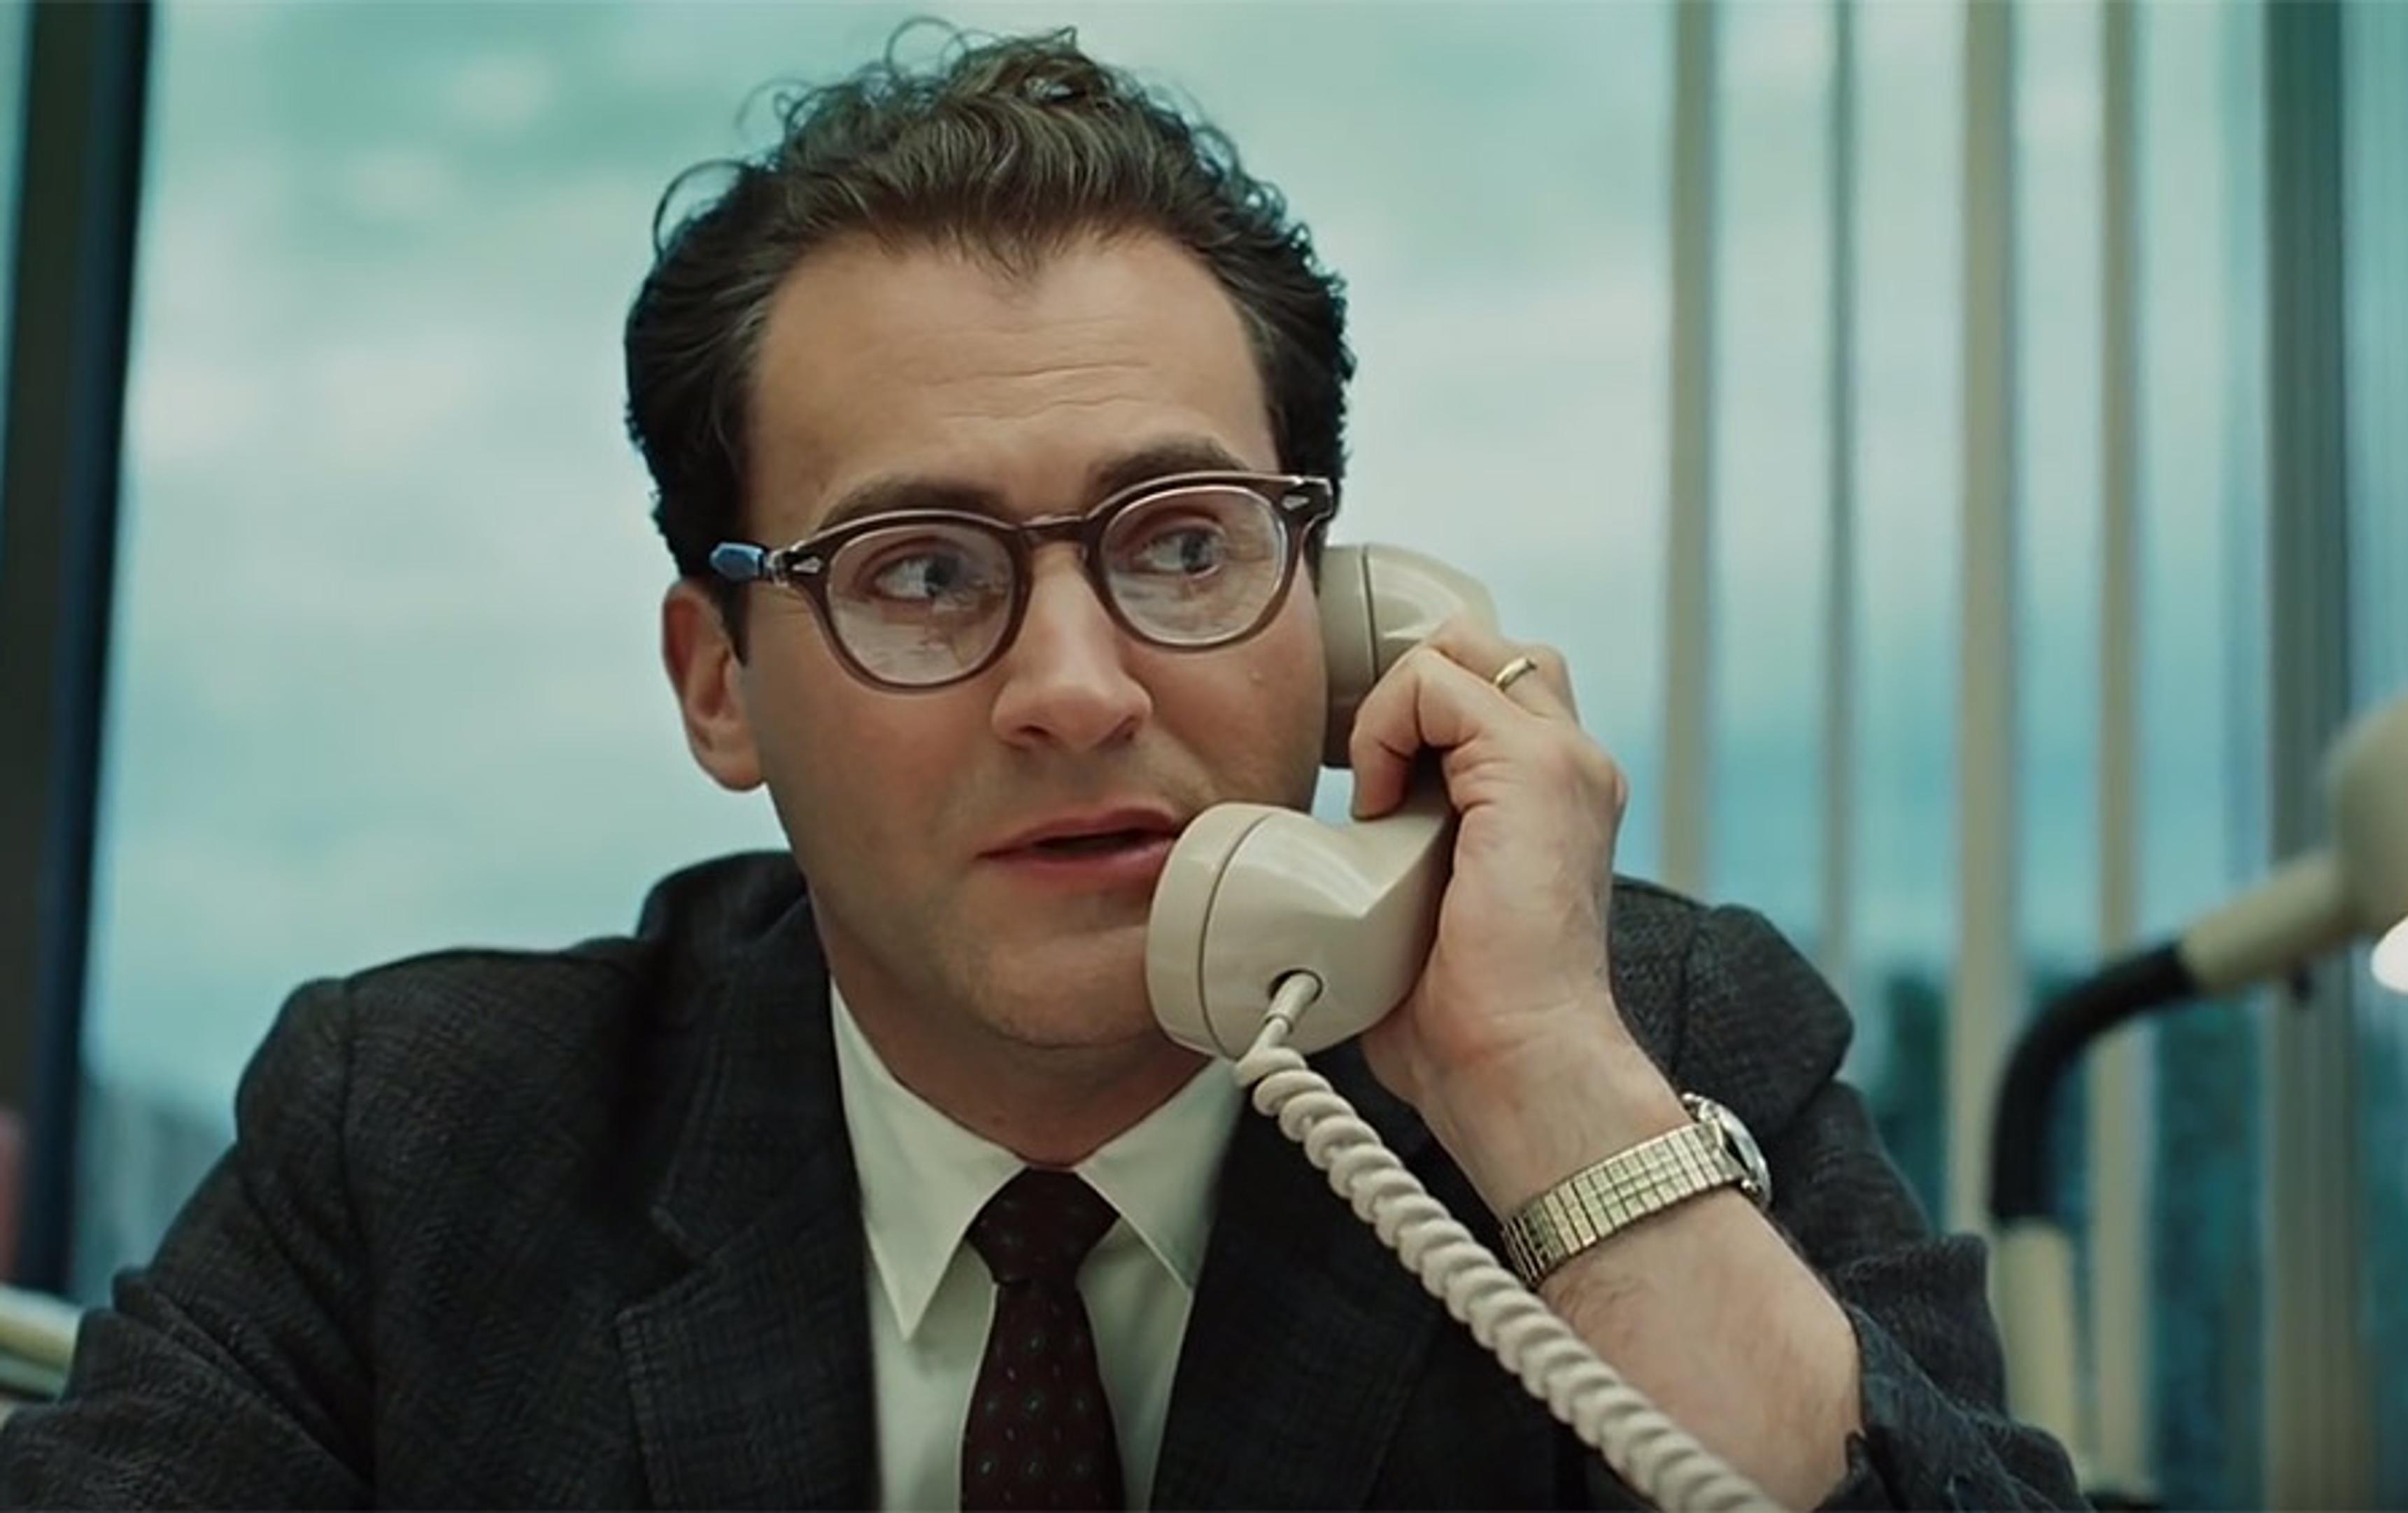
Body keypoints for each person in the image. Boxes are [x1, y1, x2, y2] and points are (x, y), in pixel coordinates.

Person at [0, 26, 2080, 1511]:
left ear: (1343, 601)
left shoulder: (1662, 1039)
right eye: (922, 572)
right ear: (719, 682)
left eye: (1182, 542)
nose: (1076, 685)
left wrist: (1542, 1093)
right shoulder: (420, 1137)